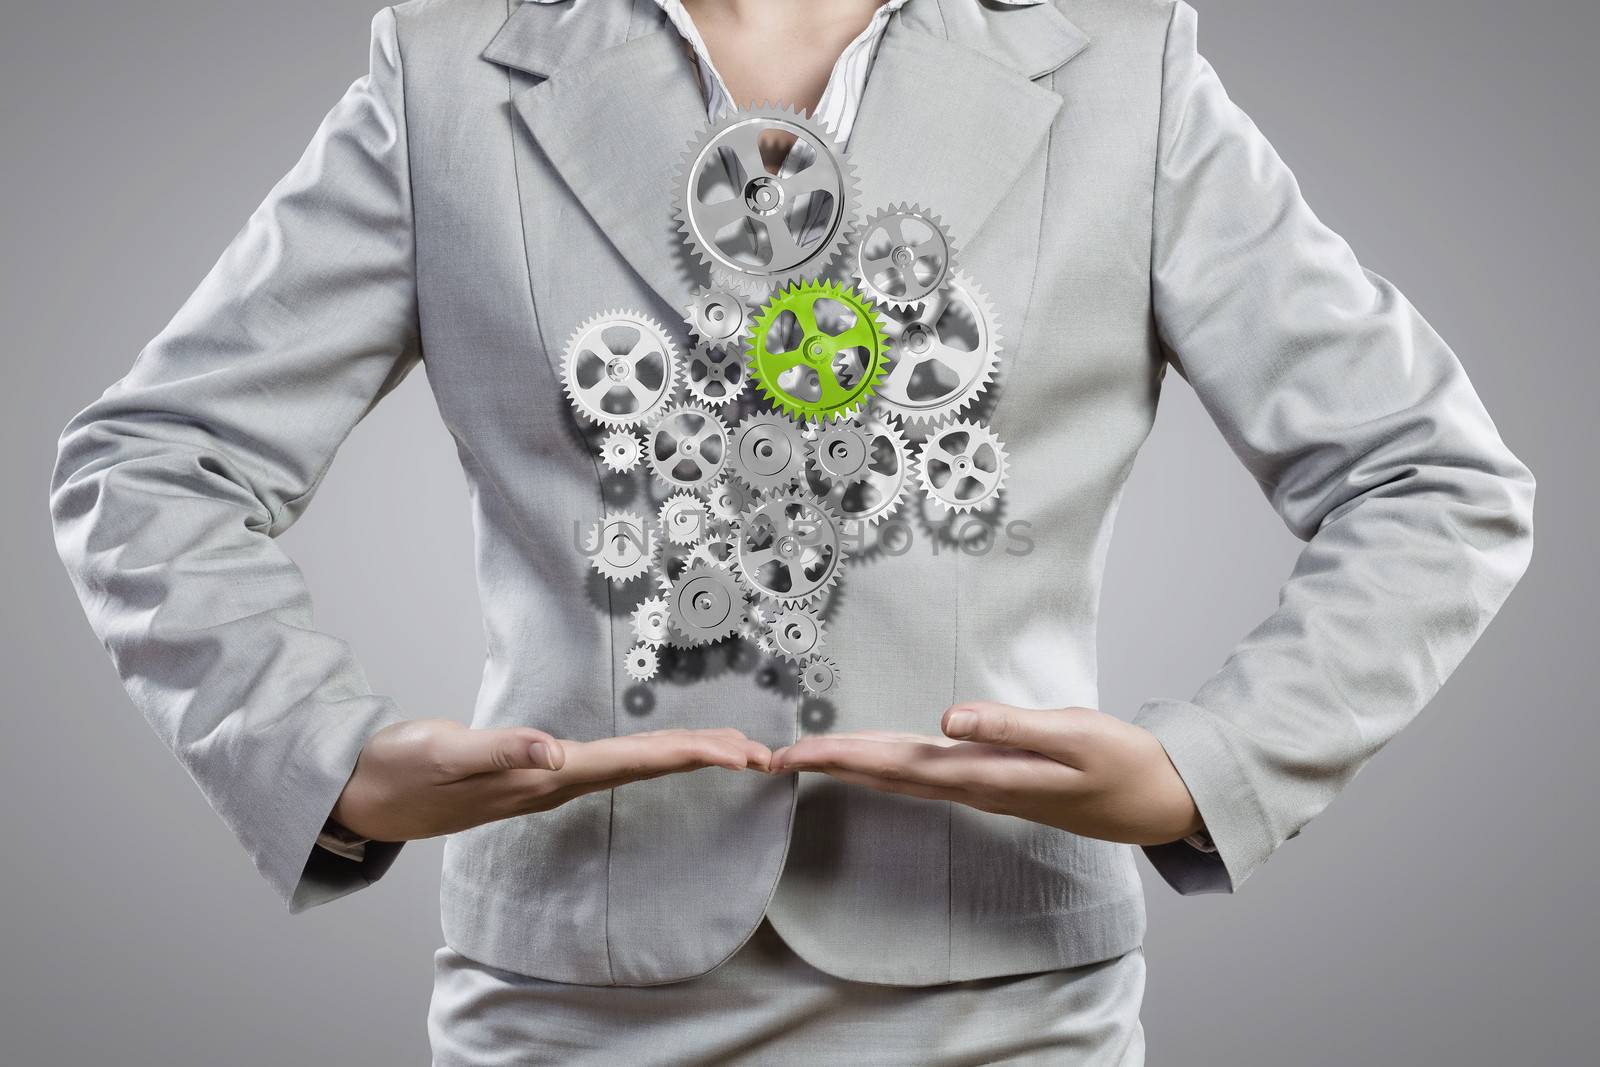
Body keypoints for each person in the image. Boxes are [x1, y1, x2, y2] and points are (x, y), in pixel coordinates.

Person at [48, 0, 1534, 1063]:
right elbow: (152, 463)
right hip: (568, 1000)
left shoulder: (1126, 67)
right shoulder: (448, 65)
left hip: (1005, 999)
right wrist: (328, 758)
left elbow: (1436, 485)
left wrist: (1203, 770)